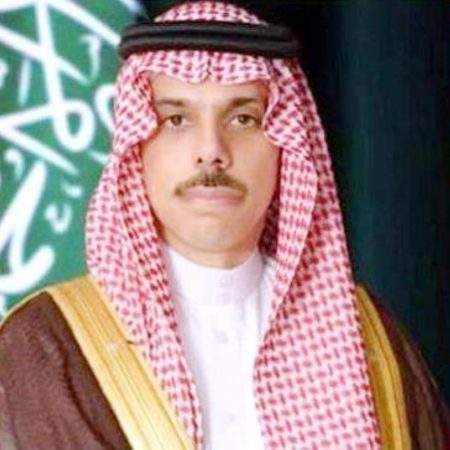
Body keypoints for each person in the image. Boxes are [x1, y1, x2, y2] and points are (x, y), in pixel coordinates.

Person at [0, 1, 448, 449]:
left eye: (243, 119)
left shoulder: (371, 340)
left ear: (285, 147)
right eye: (176, 120)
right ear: (137, 148)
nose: (211, 150)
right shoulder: (44, 348)